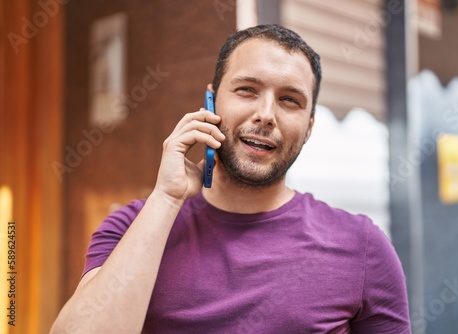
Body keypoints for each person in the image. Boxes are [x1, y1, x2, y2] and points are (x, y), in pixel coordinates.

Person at [51, 24, 410, 334]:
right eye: (246, 90)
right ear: (211, 102)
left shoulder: (363, 247)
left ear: (310, 126)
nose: (266, 114)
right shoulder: (131, 227)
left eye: (289, 100)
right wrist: (167, 197)